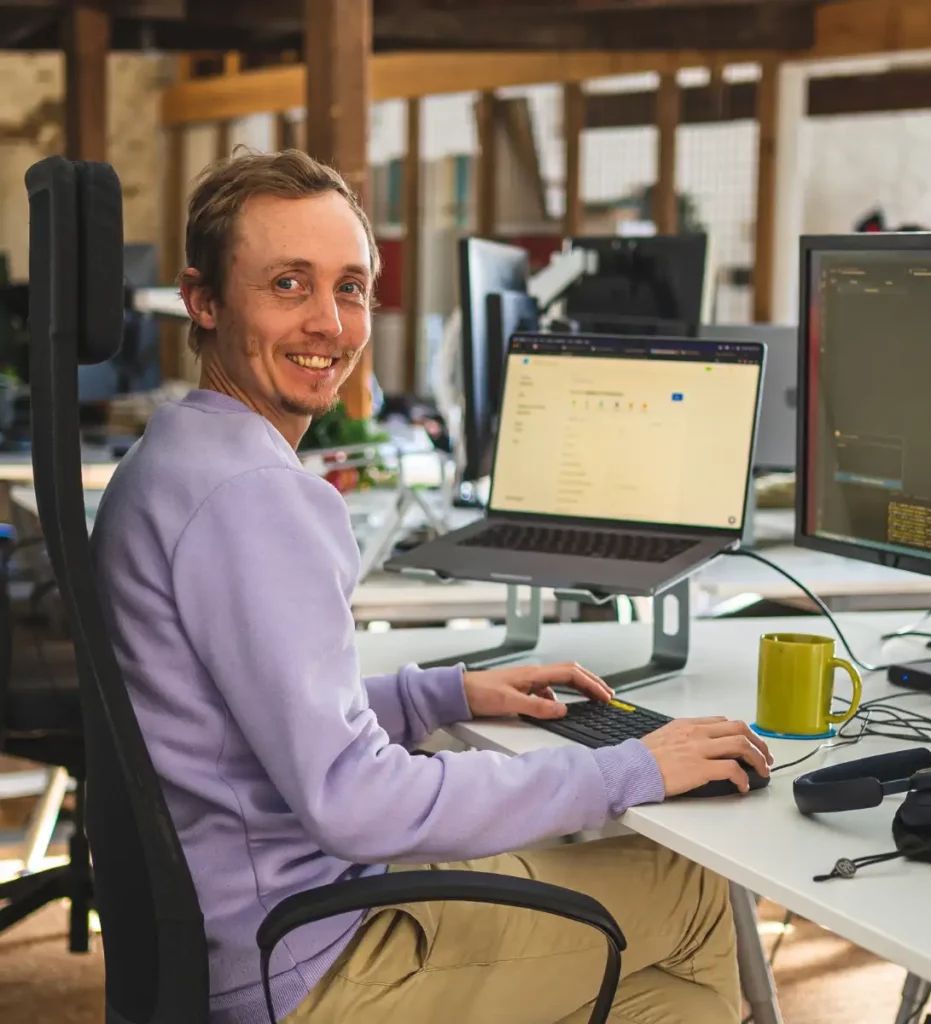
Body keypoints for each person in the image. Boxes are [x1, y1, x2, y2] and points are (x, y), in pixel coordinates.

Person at [91, 149, 772, 1024]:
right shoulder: (256, 497)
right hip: (313, 968)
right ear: (204, 300)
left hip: (242, 936)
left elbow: (242, 719)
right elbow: (355, 800)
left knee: (655, 985)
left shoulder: (172, 457)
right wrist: (624, 767)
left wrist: (439, 694)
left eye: (351, 288)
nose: (331, 323)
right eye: (288, 285)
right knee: (689, 892)